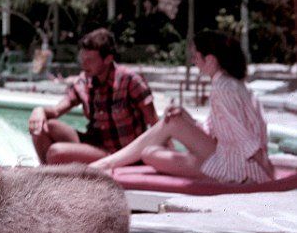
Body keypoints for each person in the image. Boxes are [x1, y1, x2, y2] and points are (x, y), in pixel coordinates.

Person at [91, 30, 273, 182]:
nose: (194, 62)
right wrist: (188, 118)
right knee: (154, 146)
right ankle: (106, 163)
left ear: (210, 59)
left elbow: (243, 136)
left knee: (158, 142)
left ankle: (105, 164)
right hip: (232, 158)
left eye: (195, 57)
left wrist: (267, 172)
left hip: (236, 168)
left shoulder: (222, 88)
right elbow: (220, 131)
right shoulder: (232, 84)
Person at [29, 28, 158, 164]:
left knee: (56, 152)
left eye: (90, 60)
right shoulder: (84, 81)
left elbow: (154, 123)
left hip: (123, 154)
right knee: (43, 127)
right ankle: (45, 172)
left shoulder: (130, 81)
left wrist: (161, 157)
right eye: (83, 58)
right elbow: (56, 111)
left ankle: (49, 173)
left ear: (108, 59)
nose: (84, 64)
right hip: (95, 146)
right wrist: (39, 110)